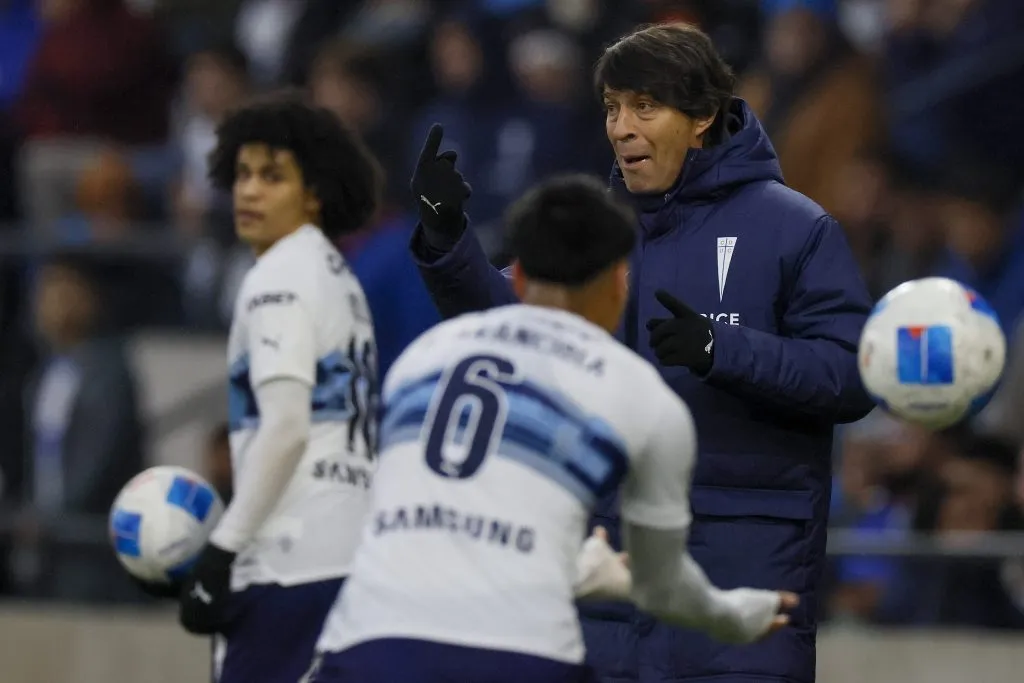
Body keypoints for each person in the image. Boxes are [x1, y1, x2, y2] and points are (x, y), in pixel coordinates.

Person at [407, 23, 874, 683]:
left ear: (703, 116)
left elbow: (851, 376)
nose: (622, 128)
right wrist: (448, 239)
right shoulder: (597, 229)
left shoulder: (797, 229)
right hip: (605, 601)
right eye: (611, 109)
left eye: (644, 108)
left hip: (738, 612)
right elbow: (518, 333)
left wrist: (722, 349)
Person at [307, 175, 798, 683]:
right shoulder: (642, 395)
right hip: (521, 654)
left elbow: (431, 525)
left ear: (517, 280)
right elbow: (660, 588)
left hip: (365, 644)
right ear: (618, 284)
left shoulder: (422, 358)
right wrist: (735, 615)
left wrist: (578, 569)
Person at [154, 92, 381, 683]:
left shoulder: (278, 275)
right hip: (351, 557)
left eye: (273, 177)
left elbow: (285, 428)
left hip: (288, 560)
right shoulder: (338, 276)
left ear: (315, 193)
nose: (249, 191)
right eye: (243, 174)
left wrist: (222, 549)